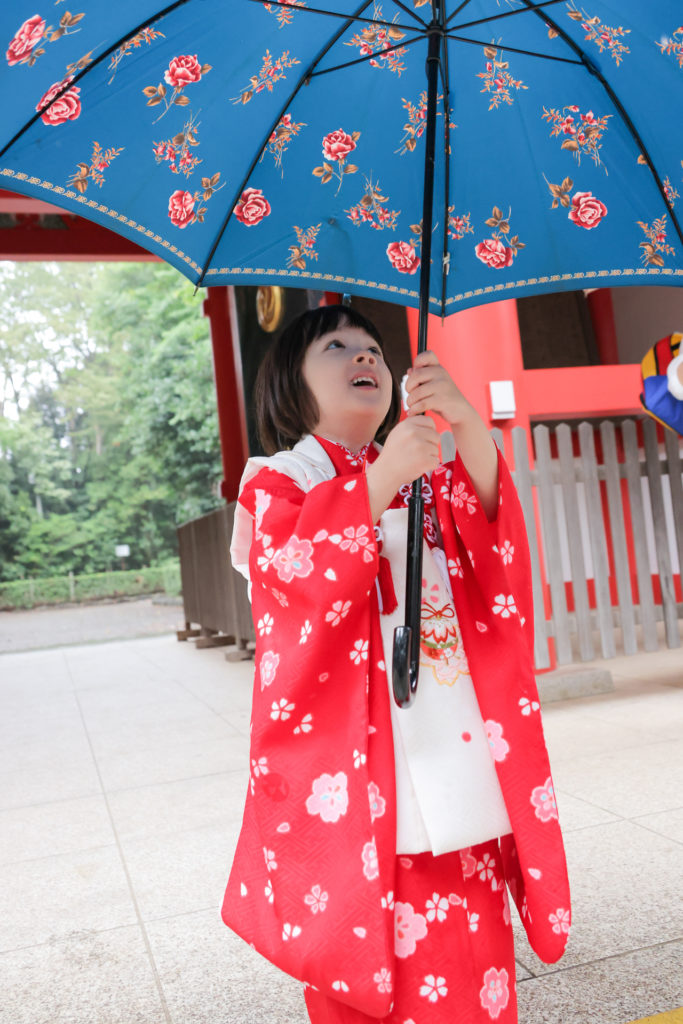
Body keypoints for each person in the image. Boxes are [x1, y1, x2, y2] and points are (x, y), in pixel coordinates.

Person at [222, 304, 570, 1024]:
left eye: (374, 349)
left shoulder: (418, 472)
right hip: (357, 769)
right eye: (336, 346)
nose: (365, 358)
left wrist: (465, 424)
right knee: (369, 934)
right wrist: (379, 482)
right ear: (288, 383)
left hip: (447, 737)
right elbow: (291, 572)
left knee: (471, 930)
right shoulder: (277, 481)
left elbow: (487, 526)